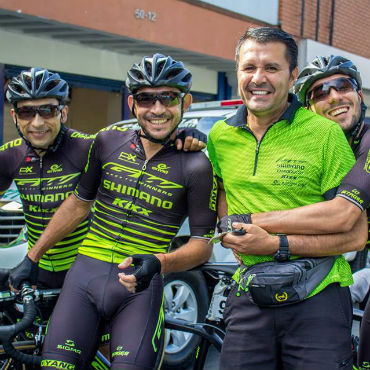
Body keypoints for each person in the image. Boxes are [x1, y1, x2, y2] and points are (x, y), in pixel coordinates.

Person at [31, 54, 217, 370]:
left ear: (185, 101)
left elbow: (203, 246)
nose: (157, 109)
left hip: (139, 290)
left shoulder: (198, 165)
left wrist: (161, 263)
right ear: (132, 103)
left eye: (168, 98)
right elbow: (78, 204)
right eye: (146, 99)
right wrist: (31, 258)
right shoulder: (106, 141)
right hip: (83, 279)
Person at [207, 27, 367, 370]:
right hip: (249, 296)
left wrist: (274, 243)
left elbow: (355, 234)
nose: (258, 78)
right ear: (237, 72)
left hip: (319, 296)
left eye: (271, 68)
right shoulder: (219, 136)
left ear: (292, 76)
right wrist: (234, 235)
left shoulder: (324, 134)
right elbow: (222, 187)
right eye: (249, 68)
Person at [3, 67, 207, 291]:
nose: (37, 123)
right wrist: (29, 260)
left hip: (85, 268)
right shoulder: (8, 156)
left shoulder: (88, 146)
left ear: (63, 112)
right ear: (13, 116)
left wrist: (182, 135)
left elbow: (142, 144)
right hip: (33, 267)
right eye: (26, 113)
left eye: (48, 111)